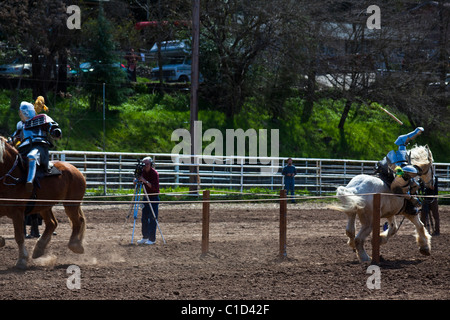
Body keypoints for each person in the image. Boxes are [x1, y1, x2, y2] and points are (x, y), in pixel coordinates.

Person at [11, 101, 62, 192]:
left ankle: (30, 182)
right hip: (23, 149)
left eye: (21, 112)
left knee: (32, 156)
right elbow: (14, 138)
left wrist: (55, 131)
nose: (19, 114)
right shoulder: (20, 125)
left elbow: (52, 127)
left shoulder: (41, 118)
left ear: (26, 112)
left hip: (39, 147)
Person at [383, 127, 424, 214]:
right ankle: (410, 204)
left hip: (401, 167)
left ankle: (410, 201)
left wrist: (416, 132)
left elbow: (404, 139)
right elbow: (398, 189)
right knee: (404, 185)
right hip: (395, 169)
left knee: (415, 184)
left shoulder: (402, 150)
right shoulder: (395, 155)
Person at [134, 157, 160, 245]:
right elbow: (138, 180)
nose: (145, 166)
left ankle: (152, 239)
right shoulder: (142, 172)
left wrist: (144, 181)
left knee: (153, 218)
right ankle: (145, 237)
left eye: (147, 164)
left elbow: (154, 188)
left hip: (153, 197)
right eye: (144, 164)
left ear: (151, 164)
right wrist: (136, 180)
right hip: (145, 197)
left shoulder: (154, 174)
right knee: (144, 217)